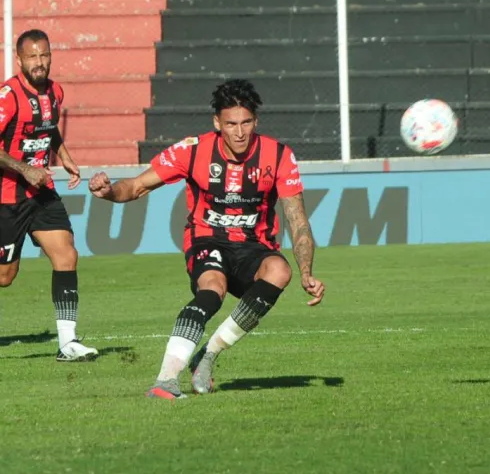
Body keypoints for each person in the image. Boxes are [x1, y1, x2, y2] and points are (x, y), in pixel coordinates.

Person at [88, 79, 326, 399]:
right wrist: (109, 192)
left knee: (280, 271)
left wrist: (307, 271)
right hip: (207, 238)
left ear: (256, 121)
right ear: (217, 123)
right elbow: (137, 187)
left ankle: (208, 355)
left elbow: (298, 220)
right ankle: (166, 380)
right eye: (230, 124)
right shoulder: (193, 150)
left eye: (246, 123)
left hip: (254, 247)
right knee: (213, 288)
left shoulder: (279, 155)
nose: (239, 133)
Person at [0, 29, 98, 361]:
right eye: (32, 57)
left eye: (44, 55)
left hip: (41, 194)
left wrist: (65, 157)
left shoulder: (55, 91)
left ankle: (67, 343)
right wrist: (23, 168)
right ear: (19, 60)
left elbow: (47, 126)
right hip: (8, 196)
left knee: (66, 256)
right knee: (5, 276)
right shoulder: (8, 95)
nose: (39, 63)